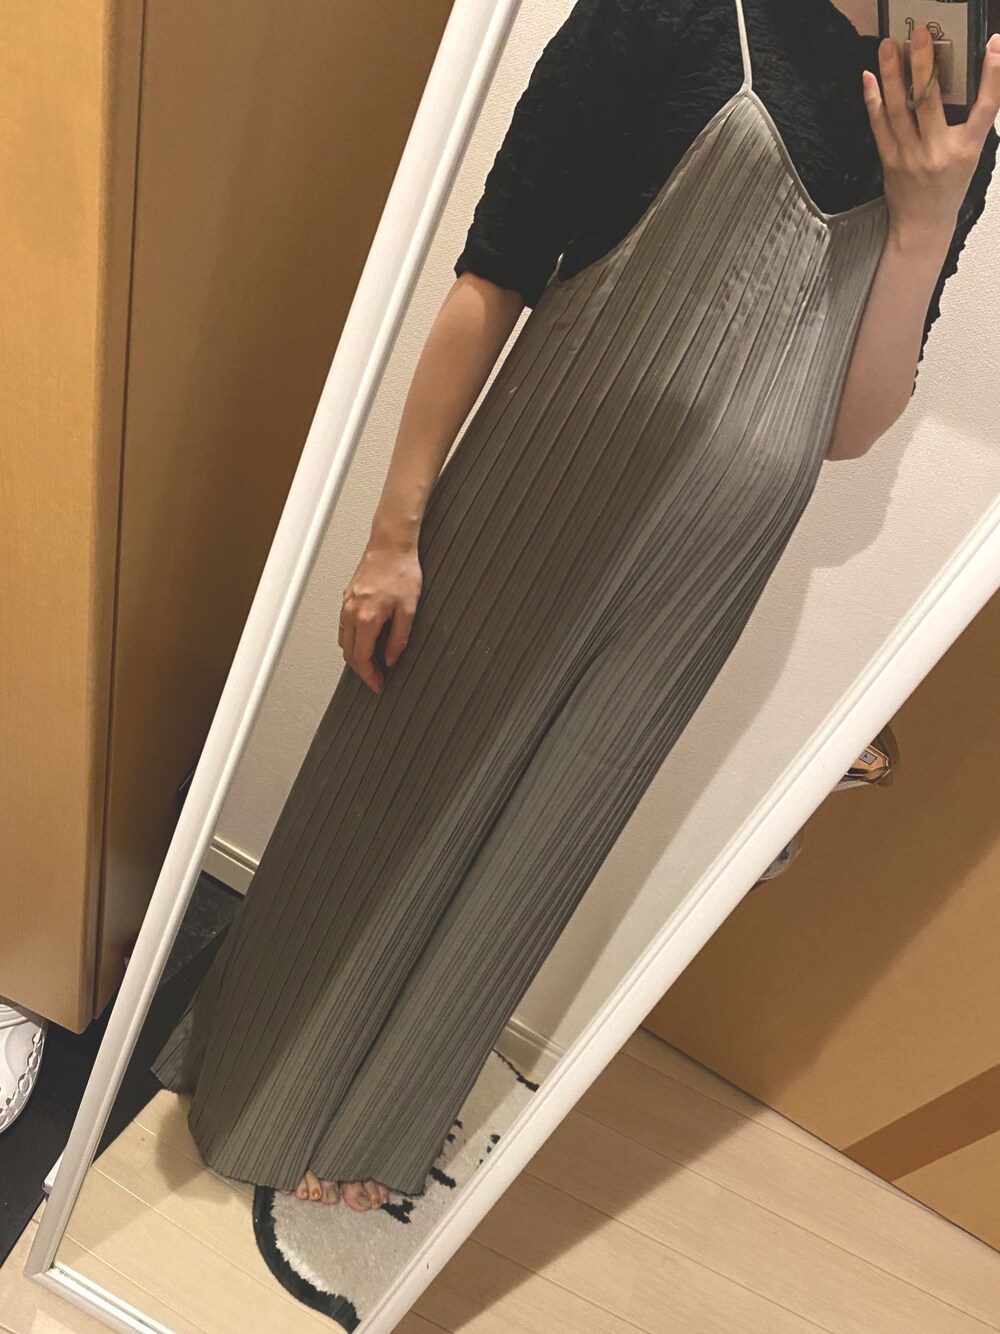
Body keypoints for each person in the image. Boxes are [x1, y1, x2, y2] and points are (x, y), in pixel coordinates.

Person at [151, 0, 1000, 1213]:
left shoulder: (957, 110)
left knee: (546, 830)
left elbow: (849, 429)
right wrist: (394, 532)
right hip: (538, 478)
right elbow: (495, 269)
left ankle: (378, 1121)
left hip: (704, 568)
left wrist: (920, 229)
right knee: (391, 776)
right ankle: (254, 1079)